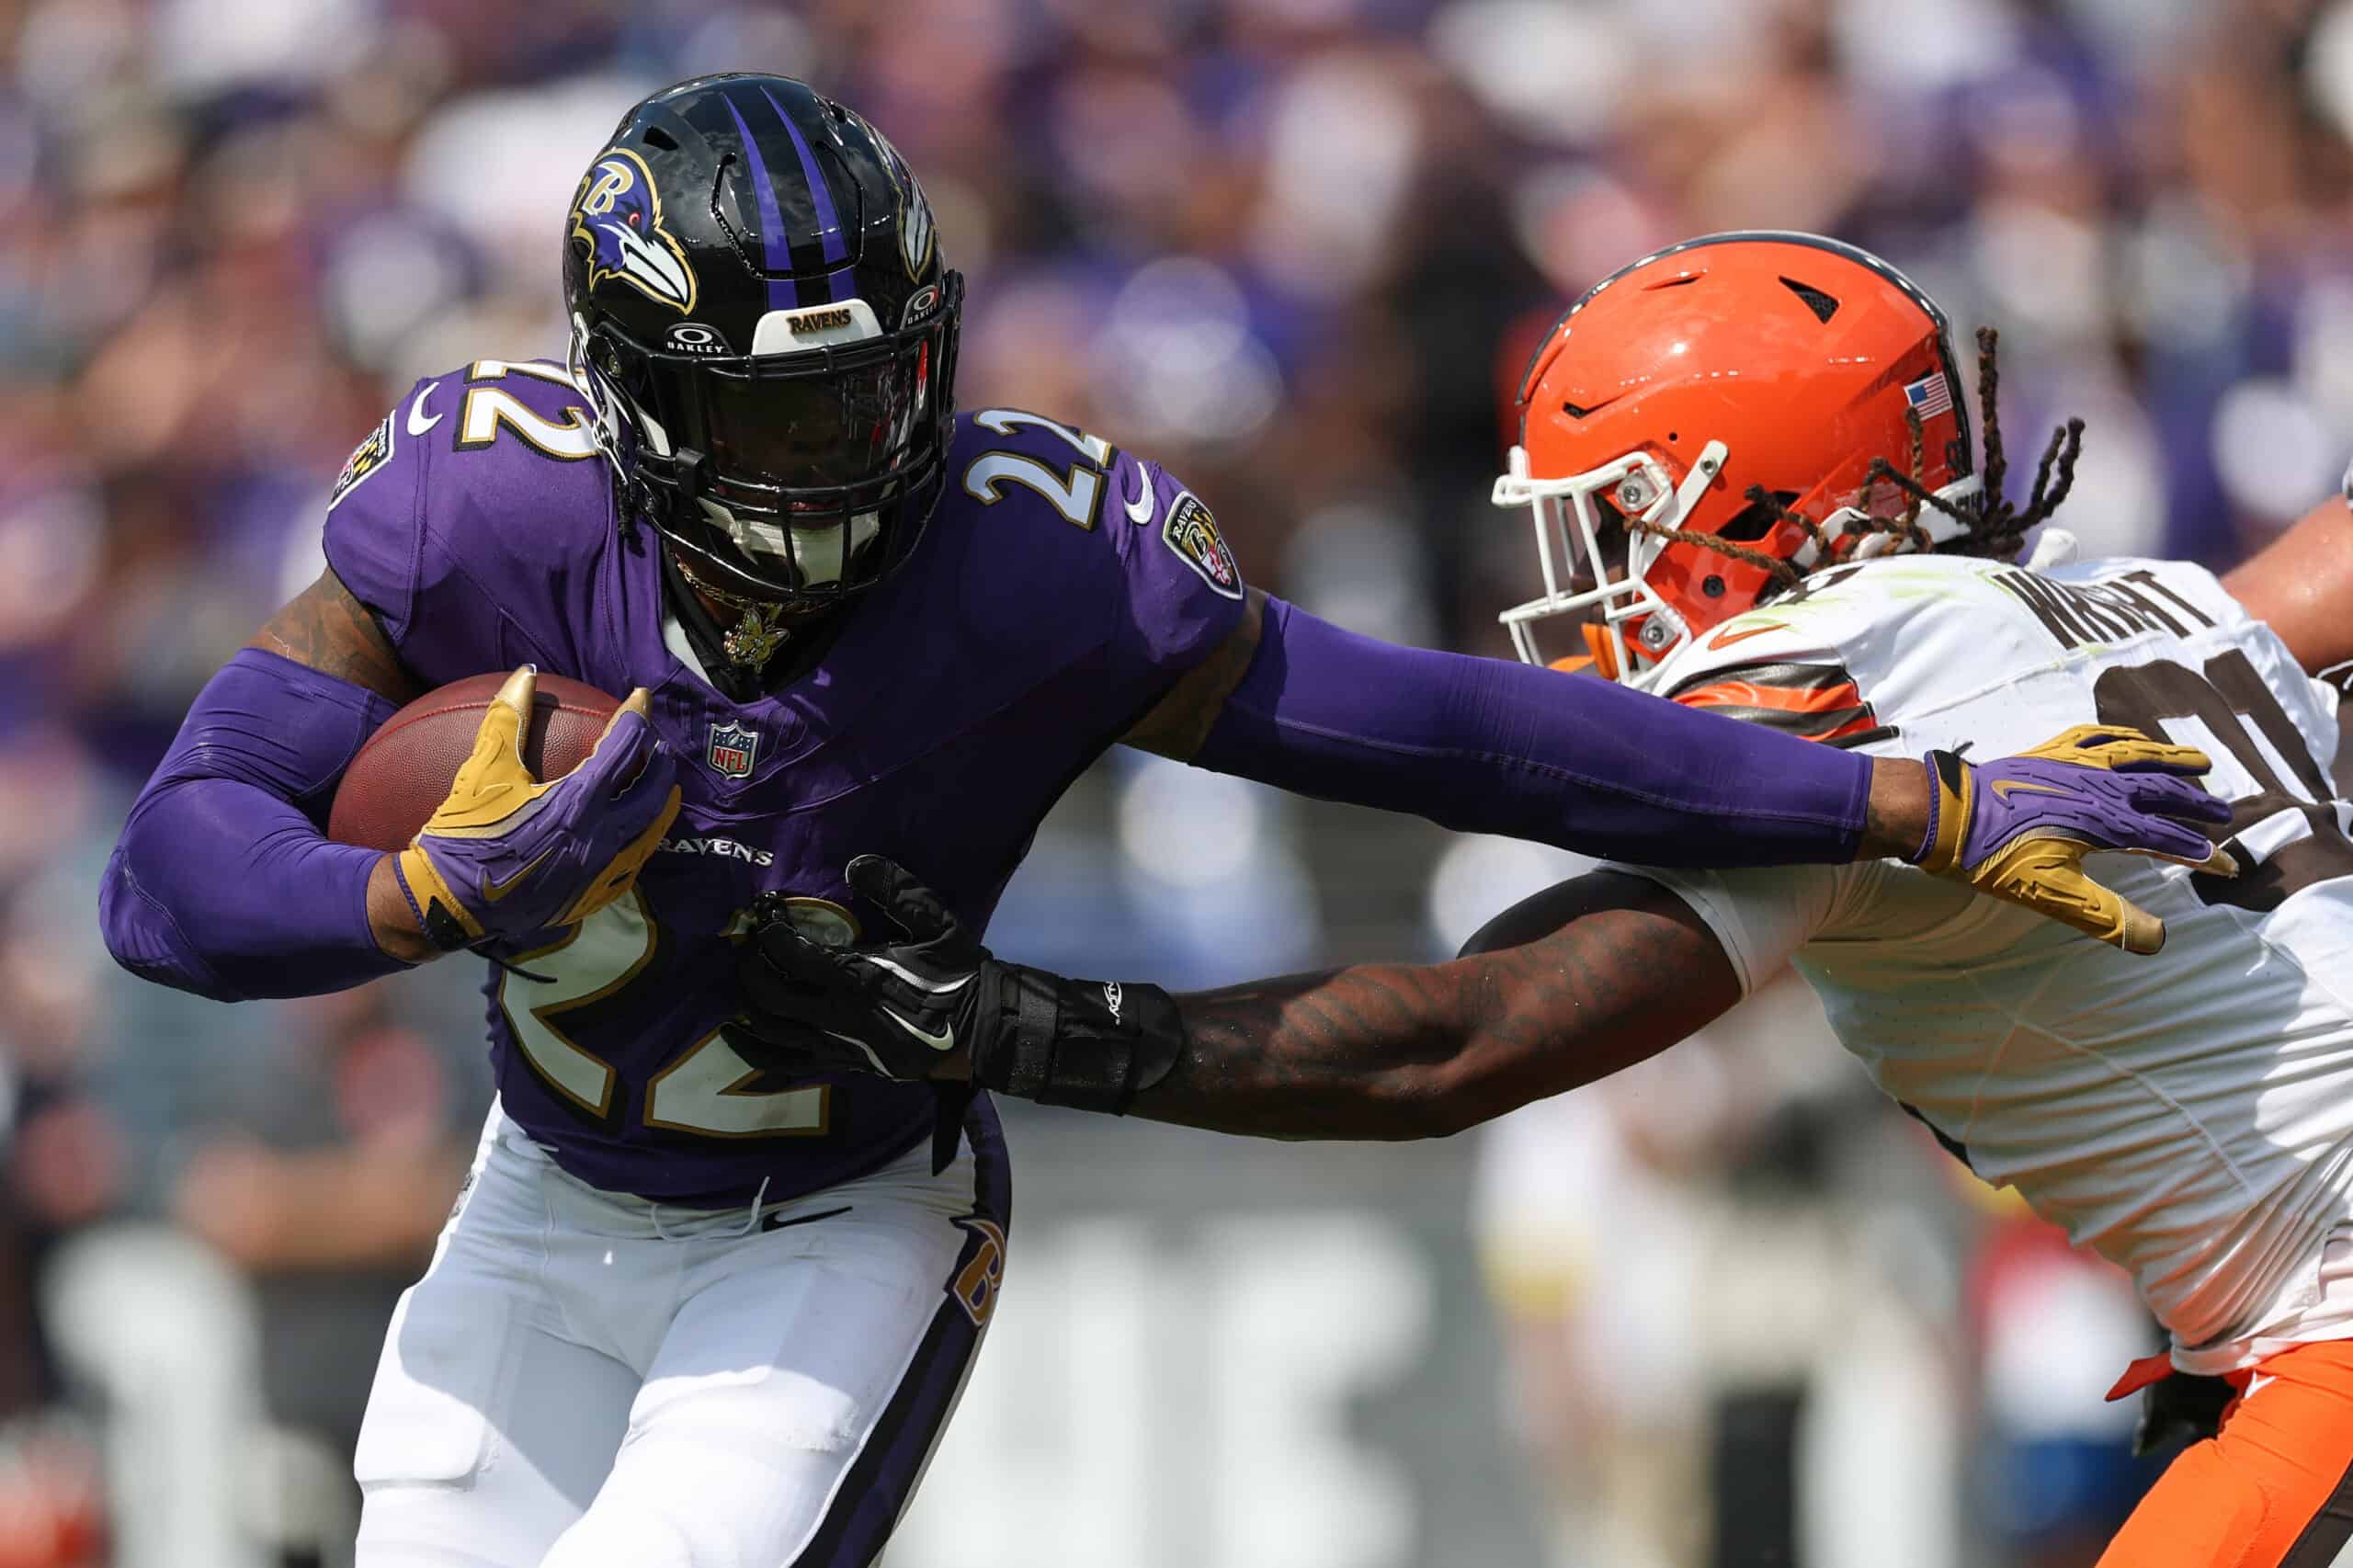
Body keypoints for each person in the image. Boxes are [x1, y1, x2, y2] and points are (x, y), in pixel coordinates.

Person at [96, 81, 2215, 1568]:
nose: (836, 461)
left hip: (833, 1221)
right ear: (642, 391)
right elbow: (175, 860)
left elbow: (1454, 739)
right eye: (773, 413)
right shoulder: (481, 509)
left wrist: (1891, 790)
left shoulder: (1045, 559)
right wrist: (412, 888)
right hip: (538, 1207)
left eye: (870, 395)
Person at [746, 233, 2353, 1568]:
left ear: (1731, 511)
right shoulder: (2150, 599)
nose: (1587, 579)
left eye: (1611, 521)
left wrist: (1027, 1027)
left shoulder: (1819, 692)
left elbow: (1457, 1044)